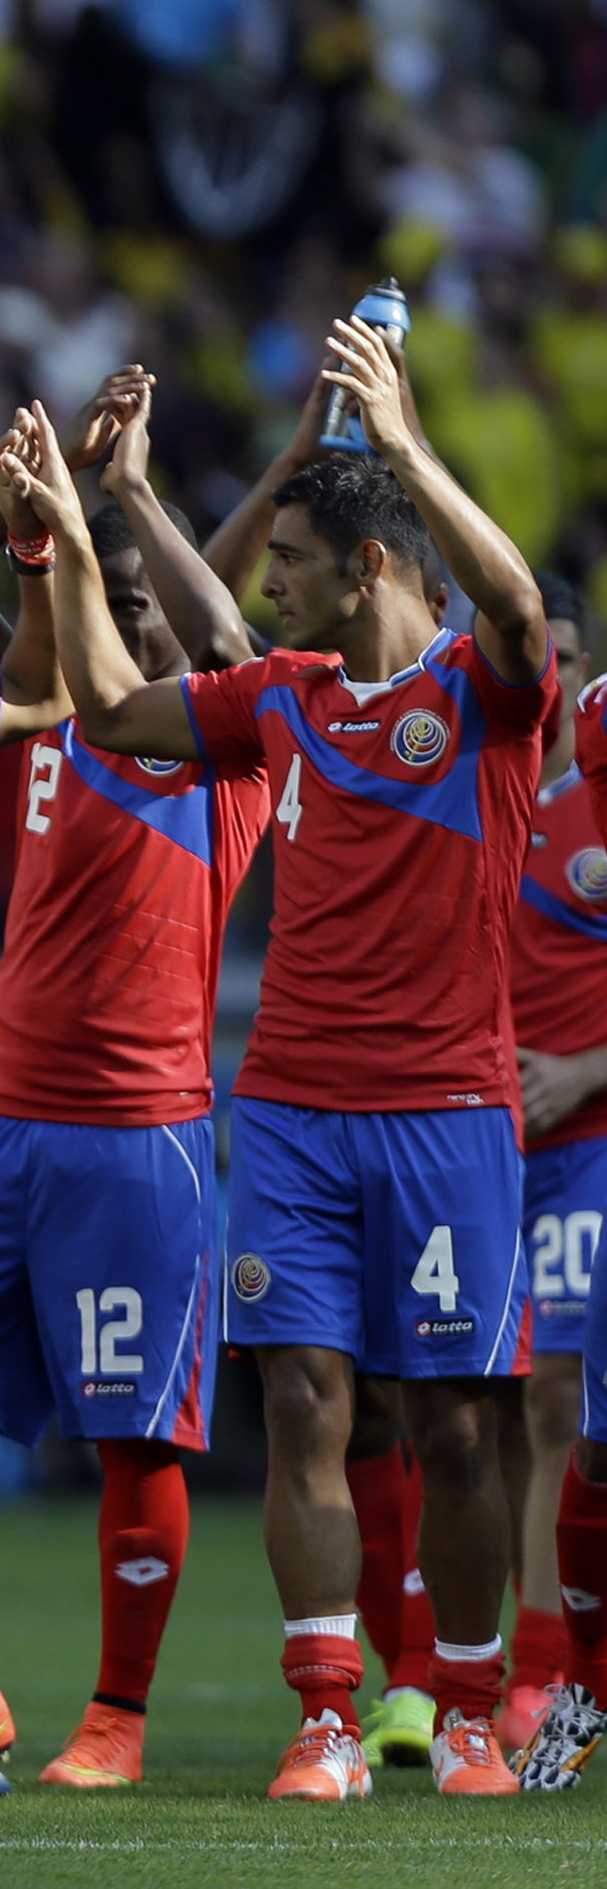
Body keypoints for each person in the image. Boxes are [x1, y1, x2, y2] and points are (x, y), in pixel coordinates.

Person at [15, 313, 552, 1801]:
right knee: (308, 1403)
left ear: (367, 568)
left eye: (295, 562)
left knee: (450, 1421)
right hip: (296, 1115)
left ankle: (452, 1703)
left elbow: (512, 603)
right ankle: (323, 1707)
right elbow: (124, 703)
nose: (272, 584)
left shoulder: (479, 700)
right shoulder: (286, 704)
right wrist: (88, 519)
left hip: (447, 1112)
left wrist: (408, 452)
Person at [0, 385, 268, 1792]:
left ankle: (117, 1720)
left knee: (134, 1428)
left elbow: (228, 636)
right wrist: (28, 513)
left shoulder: (230, 755)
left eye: (143, 607)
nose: (125, 627)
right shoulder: (34, 718)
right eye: (106, 603)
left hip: (139, 1139)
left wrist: (117, 506)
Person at [502, 578, 602, 1741]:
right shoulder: (460, 789)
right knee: (447, 1404)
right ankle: (440, 1670)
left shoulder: (600, 813)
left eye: (570, 658)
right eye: (541, 658)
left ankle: (547, 1670)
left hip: (583, 1147)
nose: (556, 677)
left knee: (559, 1397)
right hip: (464, 1141)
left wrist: (582, 1072)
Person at [530, 669, 607, 1786]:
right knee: (588, 1430)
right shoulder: (549, 820)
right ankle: (579, 1680)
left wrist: (587, 1068)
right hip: (542, 1158)